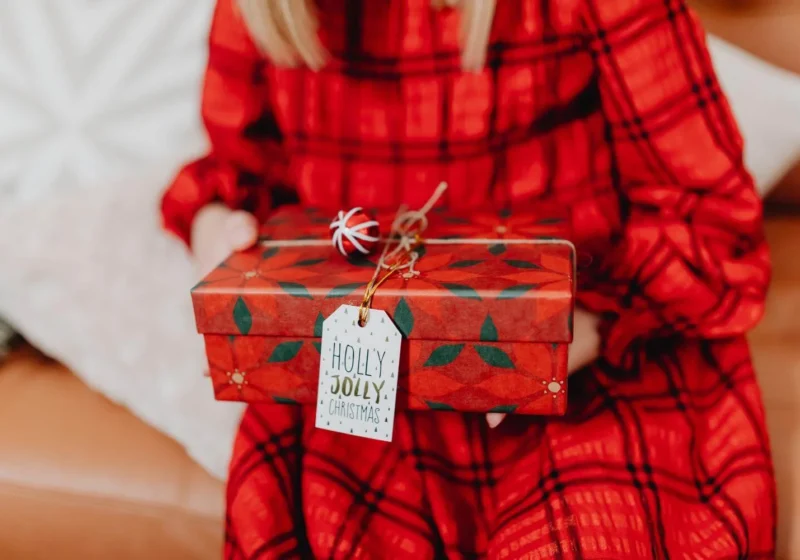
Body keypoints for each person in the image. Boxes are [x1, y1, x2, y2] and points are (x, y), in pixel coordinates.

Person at [161, 0, 775, 557]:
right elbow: (240, 172)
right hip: (368, 379)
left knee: (586, 534)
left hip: (596, 362)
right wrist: (217, 222)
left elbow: (711, 217)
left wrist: (563, 331)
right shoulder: (261, 13)